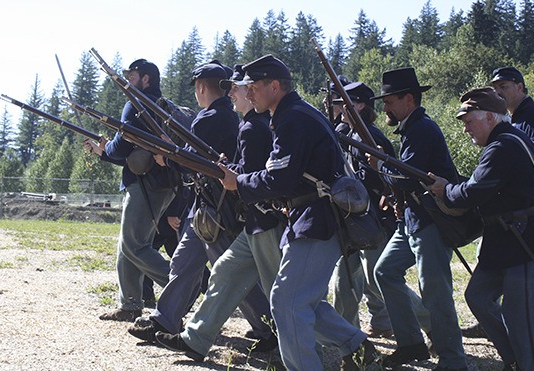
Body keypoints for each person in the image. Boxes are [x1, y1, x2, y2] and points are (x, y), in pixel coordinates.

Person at [193, 54, 379, 371]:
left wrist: (239, 182)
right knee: (301, 300)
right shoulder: (291, 114)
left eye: (253, 87)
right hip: (310, 217)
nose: (247, 93)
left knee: (286, 301)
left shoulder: (292, 118)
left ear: (274, 86)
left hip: (316, 218)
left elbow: (280, 178)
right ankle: (358, 348)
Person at [127, 60, 273, 347]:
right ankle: (164, 319)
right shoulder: (228, 118)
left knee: (227, 271)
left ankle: (268, 327)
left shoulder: (209, 119)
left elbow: (194, 162)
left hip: (215, 207)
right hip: (209, 204)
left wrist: (168, 157)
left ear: (201, 86)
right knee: (186, 262)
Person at [427, 87, 534, 371]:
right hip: (505, 241)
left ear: (490, 118)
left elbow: (474, 192)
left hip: (523, 241)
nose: (466, 129)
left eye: (469, 122)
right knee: (476, 296)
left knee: (522, 321)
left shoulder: (502, 146)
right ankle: (513, 357)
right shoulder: (505, 141)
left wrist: (445, 190)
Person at [369, 67, 467, 370]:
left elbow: (406, 177)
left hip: (431, 222)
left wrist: (379, 165)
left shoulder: (422, 128)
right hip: (412, 220)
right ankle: (411, 344)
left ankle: (453, 360)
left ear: (408, 99)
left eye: (389, 100)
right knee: (385, 271)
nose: (384, 107)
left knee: (435, 293)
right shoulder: (412, 128)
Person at [87, 59, 176, 322]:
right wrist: (105, 152)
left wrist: (106, 150)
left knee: (134, 245)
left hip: (144, 185)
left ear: (145, 79)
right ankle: (129, 304)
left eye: (133, 75)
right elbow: (130, 148)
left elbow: (122, 145)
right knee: (129, 245)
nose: (128, 79)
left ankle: (183, 286)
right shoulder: (162, 106)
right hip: (160, 183)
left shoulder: (135, 105)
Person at [329, 82, 397, 339]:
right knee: (345, 278)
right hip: (356, 218)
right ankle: (343, 332)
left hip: (375, 220)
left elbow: (384, 179)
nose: (342, 109)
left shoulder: (371, 137)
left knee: (378, 280)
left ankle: (427, 322)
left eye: (346, 103)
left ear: (360, 105)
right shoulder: (355, 135)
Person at [490, 66, 534, 146]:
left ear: (519, 87)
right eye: (495, 88)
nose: (497, 92)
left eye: (503, 87)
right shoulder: (514, 119)